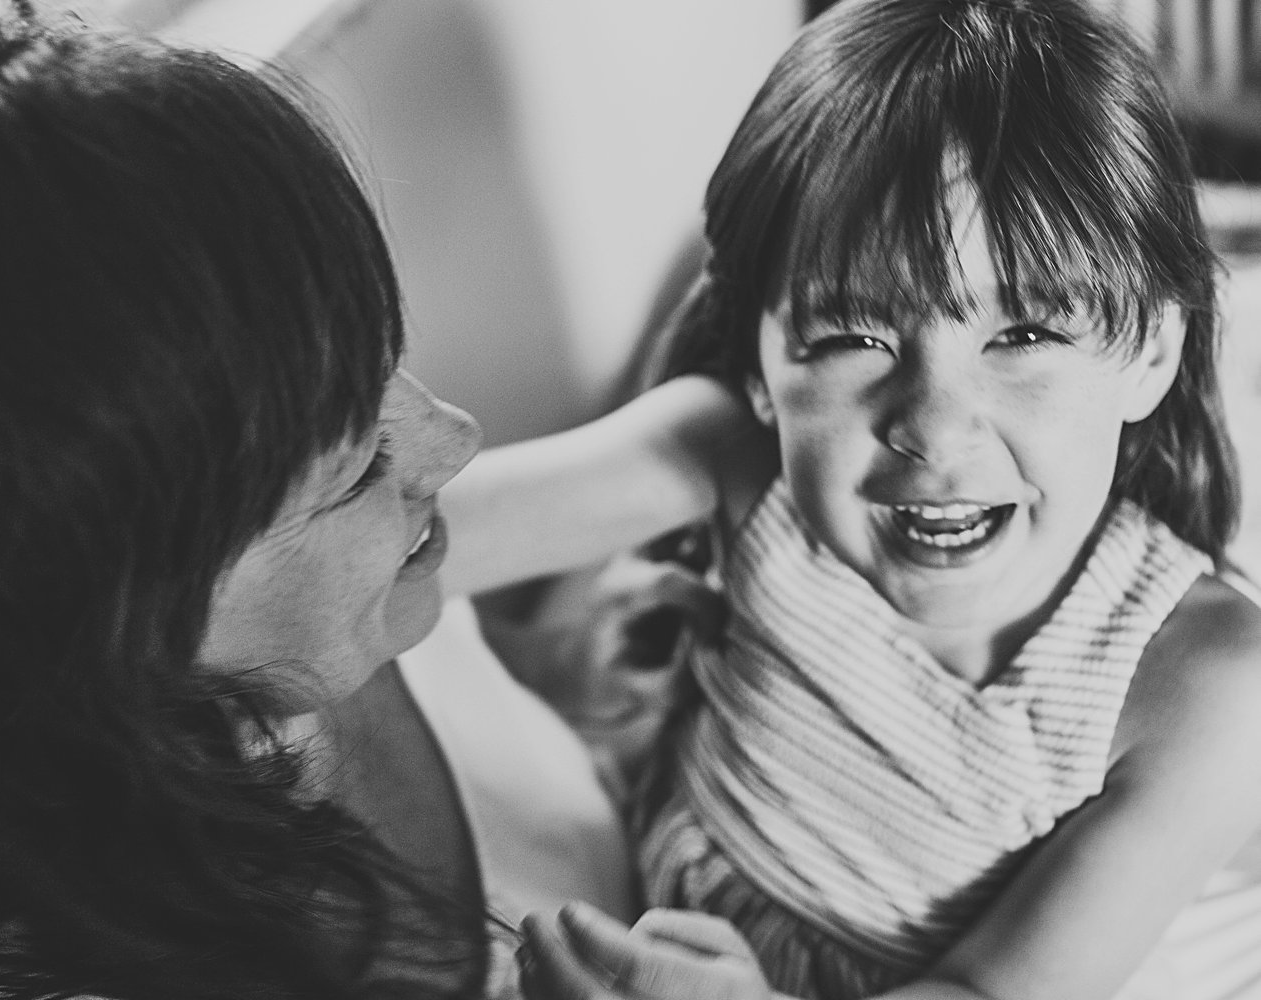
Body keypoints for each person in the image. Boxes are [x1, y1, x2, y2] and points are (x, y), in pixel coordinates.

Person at [0, 6, 761, 998]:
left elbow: (684, 446)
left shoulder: (376, 578)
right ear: (107, 625)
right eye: (358, 466)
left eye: (386, 369)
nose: (453, 439)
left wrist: (574, 725)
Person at [516, 1, 1261, 998]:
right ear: (756, 364)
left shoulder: (1208, 682)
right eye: (853, 339)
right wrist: (555, 676)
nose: (935, 425)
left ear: (1153, 353)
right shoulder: (734, 457)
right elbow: (409, 527)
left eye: (1026, 333)